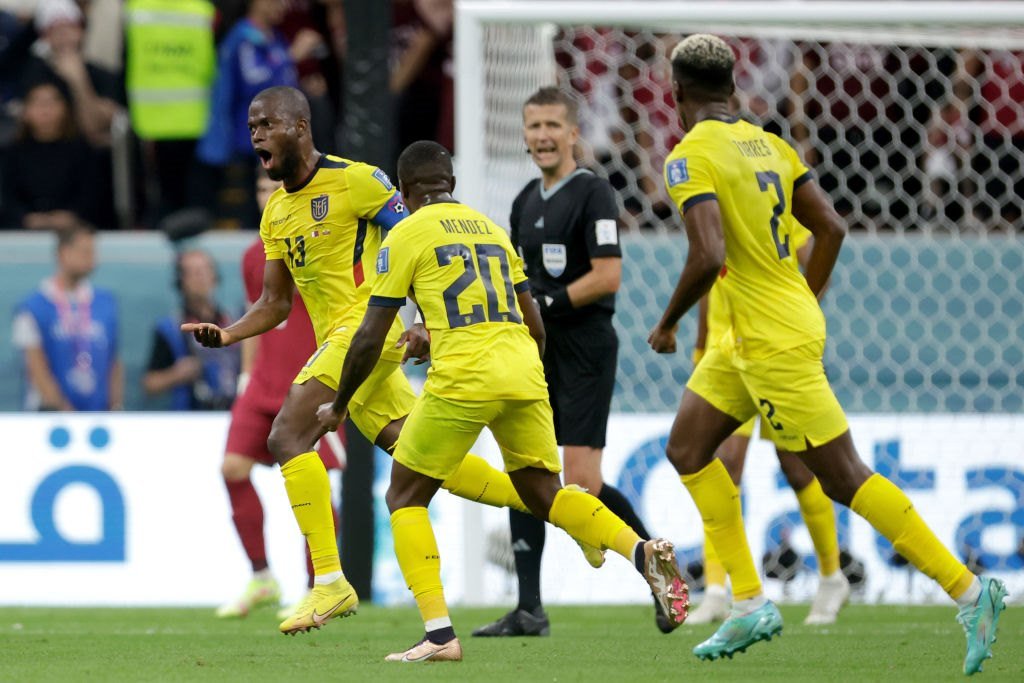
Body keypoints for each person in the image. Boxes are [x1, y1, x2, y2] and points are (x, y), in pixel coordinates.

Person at [649, 34, 1005, 672]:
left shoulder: (688, 156)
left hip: (771, 342)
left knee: (843, 476)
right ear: (734, 88)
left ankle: (971, 591)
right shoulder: (772, 144)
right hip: (758, 333)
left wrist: (667, 322)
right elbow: (832, 227)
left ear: (675, 95)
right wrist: (806, 297)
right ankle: (749, 602)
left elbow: (709, 256)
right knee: (688, 449)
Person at [183, 86, 587, 636]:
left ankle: (329, 579)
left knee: (287, 436)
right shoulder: (276, 211)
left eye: (266, 125)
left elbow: (426, 242)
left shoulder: (359, 180)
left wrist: (423, 319)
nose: (256, 136)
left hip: (369, 332)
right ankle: (562, 509)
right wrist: (228, 335)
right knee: (420, 460)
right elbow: (275, 304)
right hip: (344, 345)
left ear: (300, 127)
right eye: (251, 127)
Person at [315, 140, 689, 662]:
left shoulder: (404, 233)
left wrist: (338, 404)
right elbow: (534, 322)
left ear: (404, 191)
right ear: (451, 185)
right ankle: (641, 550)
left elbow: (371, 331)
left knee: (404, 496)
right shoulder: (490, 229)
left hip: (464, 376)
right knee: (545, 493)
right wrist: (524, 376)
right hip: (524, 370)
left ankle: (439, 635)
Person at [472, 86, 667, 638]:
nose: (542, 136)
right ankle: (529, 608)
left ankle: (655, 566)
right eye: (534, 126)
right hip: (536, 350)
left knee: (580, 480)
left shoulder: (594, 194)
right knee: (526, 470)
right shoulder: (524, 201)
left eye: (553, 125)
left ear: (574, 132)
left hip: (584, 346)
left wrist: (549, 301)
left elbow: (608, 275)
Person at [687, 225, 850, 626]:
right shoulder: (712, 206)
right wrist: (701, 344)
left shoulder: (774, 201)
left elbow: (815, 256)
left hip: (776, 353)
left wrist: (794, 320)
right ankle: (715, 590)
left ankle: (832, 577)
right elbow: (708, 278)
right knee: (721, 463)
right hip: (728, 356)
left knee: (797, 467)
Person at [215, 170, 343, 619]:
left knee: (314, 486)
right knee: (232, 468)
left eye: (276, 190)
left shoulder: (324, 246)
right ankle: (262, 578)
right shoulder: (255, 254)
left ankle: (318, 587)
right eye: (261, 190)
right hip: (263, 383)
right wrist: (246, 376)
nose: (268, 198)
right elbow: (260, 313)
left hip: (309, 383)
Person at [12, 224, 123, 411]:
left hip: (98, 417)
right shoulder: (33, 307)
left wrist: (115, 407)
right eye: (85, 252)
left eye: (94, 252)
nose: (93, 259)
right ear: (63, 253)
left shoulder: (106, 302)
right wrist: (64, 412)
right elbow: (36, 368)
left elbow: (114, 361)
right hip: (51, 419)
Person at [142, 249, 240, 410]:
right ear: (181, 282)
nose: (200, 277)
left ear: (215, 277)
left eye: (205, 270)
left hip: (233, 412)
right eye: (193, 273)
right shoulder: (170, 329)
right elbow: (150, 383)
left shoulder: (235, 323)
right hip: (192, 418)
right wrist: (176, 375)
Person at [0, 80, 102, 230]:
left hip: (75, 229)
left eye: (52, 102)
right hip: (20, 230)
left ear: (66, 108)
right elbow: (7, 196)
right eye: (37, 102)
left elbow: (92, 194)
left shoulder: (83, 151)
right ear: (25, 111)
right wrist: (24, 217)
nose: (45, 109)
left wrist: (71, 215)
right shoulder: (11, 153)